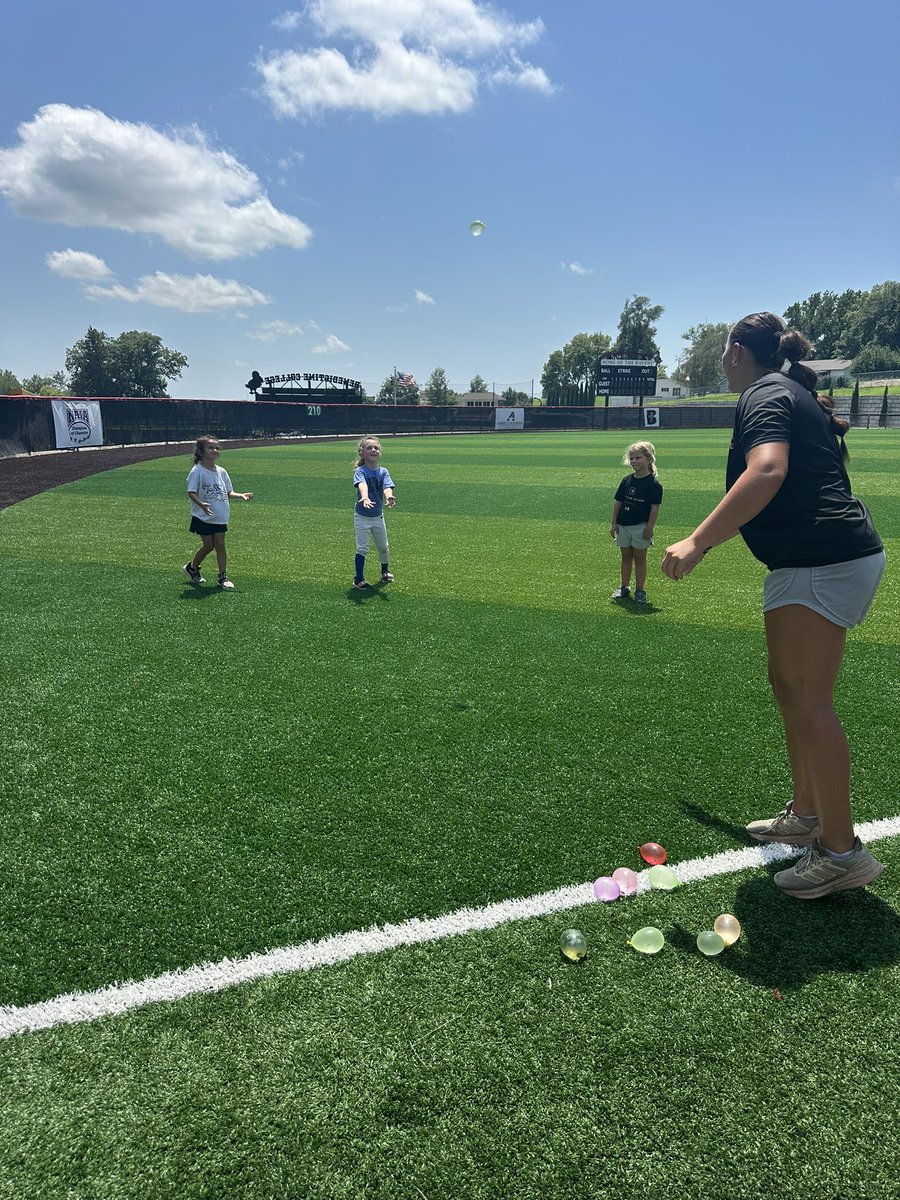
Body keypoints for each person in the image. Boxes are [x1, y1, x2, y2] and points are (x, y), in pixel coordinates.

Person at [661, 312, 886, 899]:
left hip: (821, 559)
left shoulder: (764, 393)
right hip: (819, 558)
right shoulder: (784, 390)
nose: (721, 360)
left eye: (723, 350)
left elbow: (767, 470)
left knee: (809, 700)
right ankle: (807, 814)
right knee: (791, 690)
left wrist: (698, 540)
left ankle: (841, 853)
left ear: (738, 352)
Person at [183, 436, 253, 590]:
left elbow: (228, 492)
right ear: (201, 451)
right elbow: (191, 492)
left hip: (220, 515)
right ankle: (192, 568)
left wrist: (241, 495)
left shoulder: (221, 471)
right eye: (210, 448)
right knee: (208, 546)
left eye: (217, 448)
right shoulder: (197, 471)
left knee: (220, 545)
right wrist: (201, 504)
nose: (215, 450)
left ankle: (223, 576)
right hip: (203, 516)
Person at [610, 441, 662, 603]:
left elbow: (654, 508)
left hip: (640, 527)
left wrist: (649, 528)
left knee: (640, 559)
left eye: (638, 458)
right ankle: (624, 587)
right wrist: (614, 523)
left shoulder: (653, 484)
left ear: (649, 459)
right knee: (626, 556)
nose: (633, 461)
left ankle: (640, 590)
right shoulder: (626, 480)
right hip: (623, 526)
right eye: (631, 458)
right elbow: (618, 502)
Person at [352, 435, 395, 589]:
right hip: (362, 517)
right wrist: (364, 497)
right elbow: (362, 484)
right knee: (362, 548)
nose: (373, 450)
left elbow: (386, 486)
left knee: (383, 546)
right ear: (362, 452)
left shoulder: (383, 471)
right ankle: (358, 579)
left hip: (377, 516)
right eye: (369, 448)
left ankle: (385, 572)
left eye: (376, 448)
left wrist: (389, 496)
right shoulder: (360, 471)